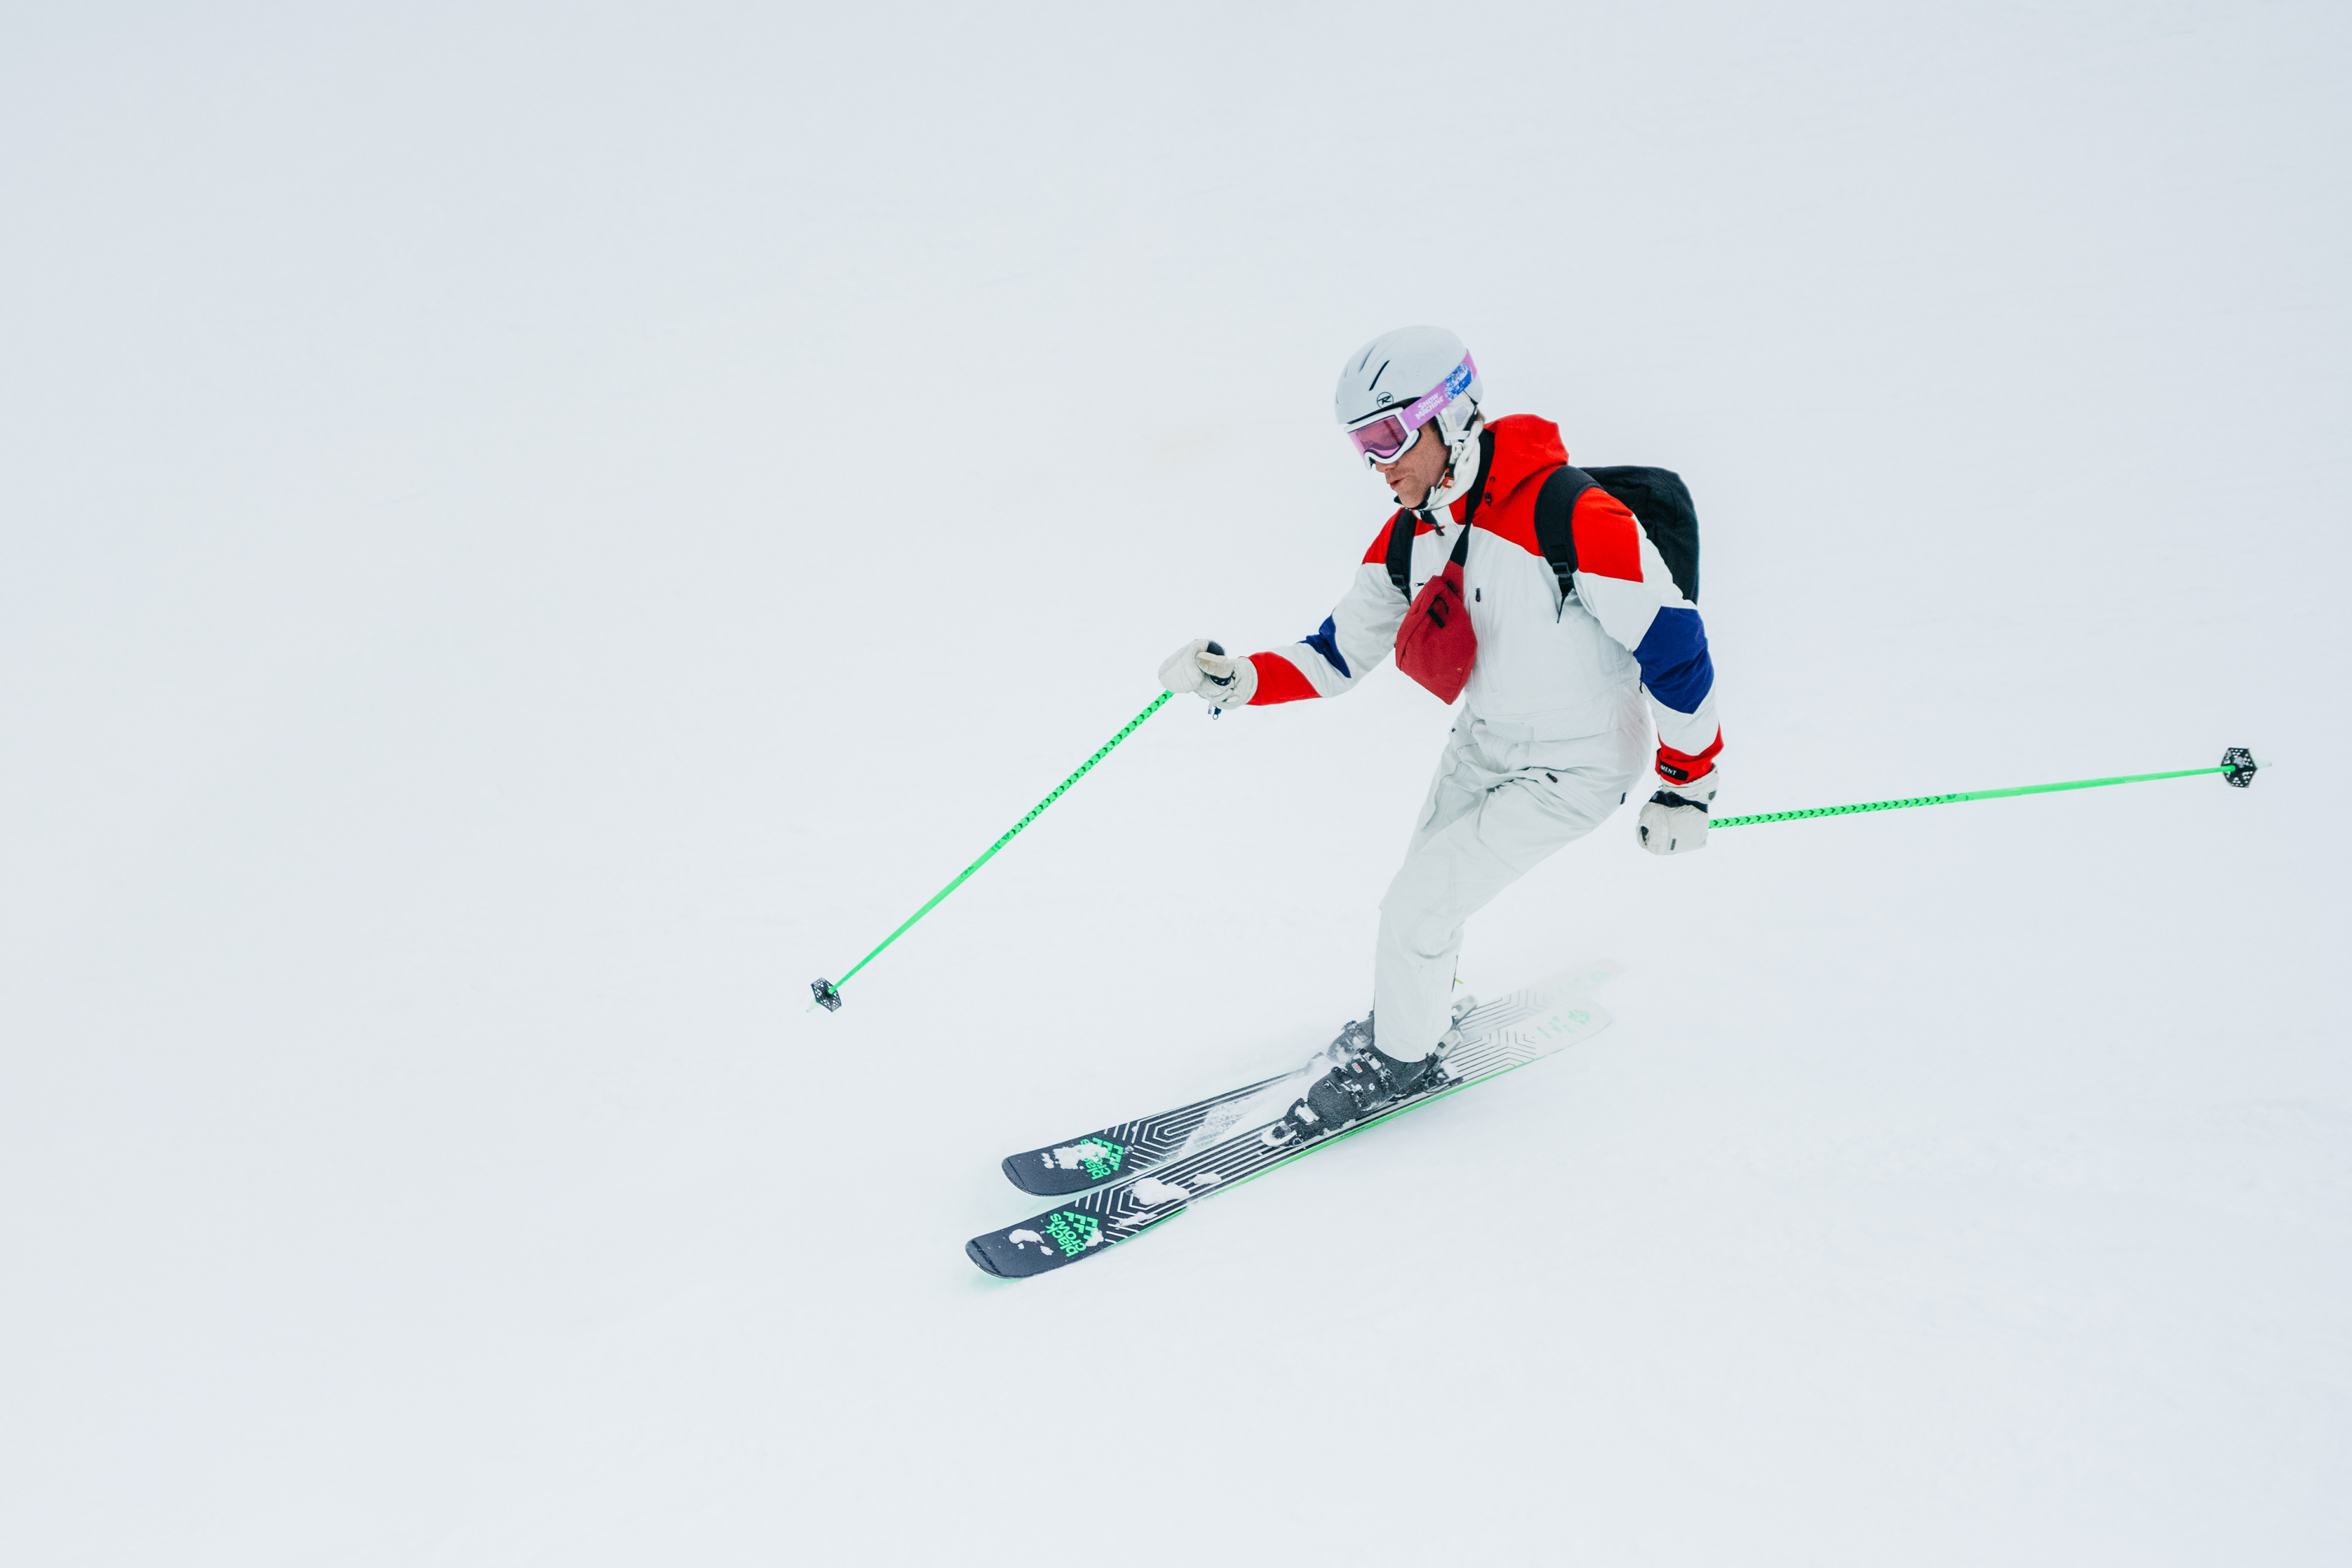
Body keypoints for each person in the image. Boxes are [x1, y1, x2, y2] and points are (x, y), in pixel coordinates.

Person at [1158, 325, 1723, 1142]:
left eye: (1390, 435)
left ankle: (1401, 1062)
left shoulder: (1572, 515)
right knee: (1424, 897)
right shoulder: (1413, 532)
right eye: (1364, 444)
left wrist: (1687, 783)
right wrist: (1236, 679)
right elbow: (1336, 655)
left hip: (1579, 764)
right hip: (1483, 744)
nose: (1380, 461)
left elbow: (1675, 644)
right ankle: (1417, 1014)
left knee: (1417, 907)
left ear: (1449, 415)